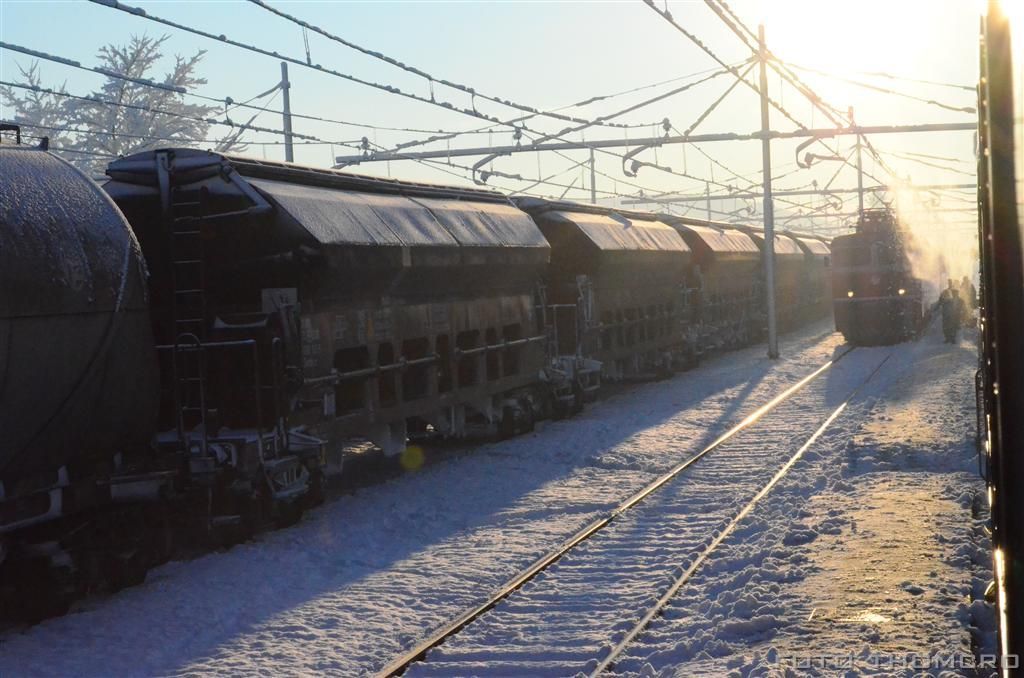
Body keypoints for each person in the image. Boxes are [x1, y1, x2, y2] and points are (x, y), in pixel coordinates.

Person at [939, 279, 961, 343]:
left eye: (950, 282)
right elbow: (940, 300)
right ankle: (948, 338)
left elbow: (958, 301)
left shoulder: (954, 291)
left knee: (951, 325)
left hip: (951, 312)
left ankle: (951, 338)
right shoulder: (945, 291)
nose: (949, 284)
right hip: (947, 312)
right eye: (949, 282)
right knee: (947, 326)